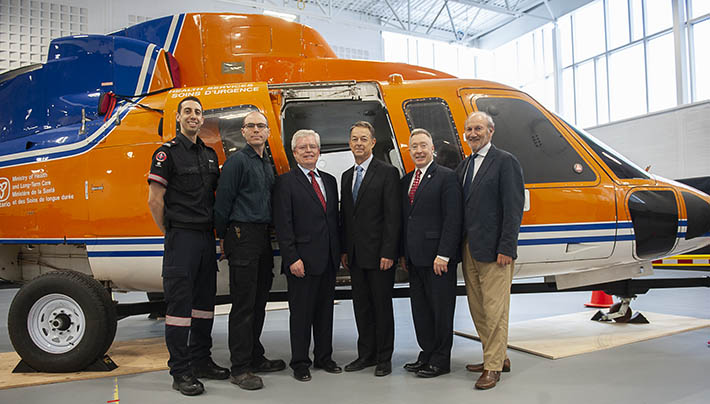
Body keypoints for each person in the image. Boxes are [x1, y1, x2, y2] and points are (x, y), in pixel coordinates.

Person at [147, 96, 229, 396]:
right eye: (188, 112)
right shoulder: (166, 154)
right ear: (179, 117)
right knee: (179, 308)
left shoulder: (208, 155)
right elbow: (155, 200)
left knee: (205, 306)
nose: (194, 116)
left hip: (207, 238)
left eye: (198, 112)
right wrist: (170, 230)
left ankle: (201, 361)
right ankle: (180, 372)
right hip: (181, 238)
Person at [214, 110, 286, 391]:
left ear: (268, 132)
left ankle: (255, 356)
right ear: (243, 132)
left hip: (262, 239)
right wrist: (224, 236)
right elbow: (223, 204)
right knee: (243, 306)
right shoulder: (237, 163)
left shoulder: (266, 164)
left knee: (258, 302)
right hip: (242, 236)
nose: (256, 130)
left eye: (261, 126)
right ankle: (240, 368)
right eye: (250, 126)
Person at [455, 111, 525, 390]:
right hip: (470, 248)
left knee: (495, 309)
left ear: (491, 131)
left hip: (496, 250)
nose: (473, 133)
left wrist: (506, 247)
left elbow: (513, 208)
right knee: (478, 308)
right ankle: (497, 356)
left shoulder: (505, 162)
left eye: (479, 129)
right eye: (469, 129)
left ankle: (493, 367)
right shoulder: (464, 166)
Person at [272, 129, 342, 382]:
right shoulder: (285, 183)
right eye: (303, 147)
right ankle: (300, 362)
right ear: (294, 153)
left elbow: (333, 220)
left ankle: (324, 357)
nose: (309, 150)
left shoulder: (330, 181)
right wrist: (292, 258)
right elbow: (284, 224)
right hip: (302, 261)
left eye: (313, 146)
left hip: (328, 259)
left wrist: (339, 252)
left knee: (325, 312)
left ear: (319, 150)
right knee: (301, 315)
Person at [340, 121, 401, 377]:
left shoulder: (387, 173)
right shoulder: (346, 176)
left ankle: (384, 358)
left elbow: (393, 217)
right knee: (361, 307)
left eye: (364, 139)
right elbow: (346, 218)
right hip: (355, 256)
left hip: (379, 256)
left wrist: (389, 252)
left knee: (381, 306)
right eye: (354, 139)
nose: (358, 144)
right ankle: (366, 354)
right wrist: (345, 250)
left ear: (373, 143)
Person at [399, 128, 462, 378]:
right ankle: (426, 353)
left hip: (438, 259)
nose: (419, 150)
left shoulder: (447, 178)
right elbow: (406, 220)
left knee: (441, 309)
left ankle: (441, 360)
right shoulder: (406, 181)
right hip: (415, 259)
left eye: (423, 145)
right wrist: (404, 253)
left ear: (432, 148)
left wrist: (444, 254)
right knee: (421, 310)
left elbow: (453, 219)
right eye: (414, 146)